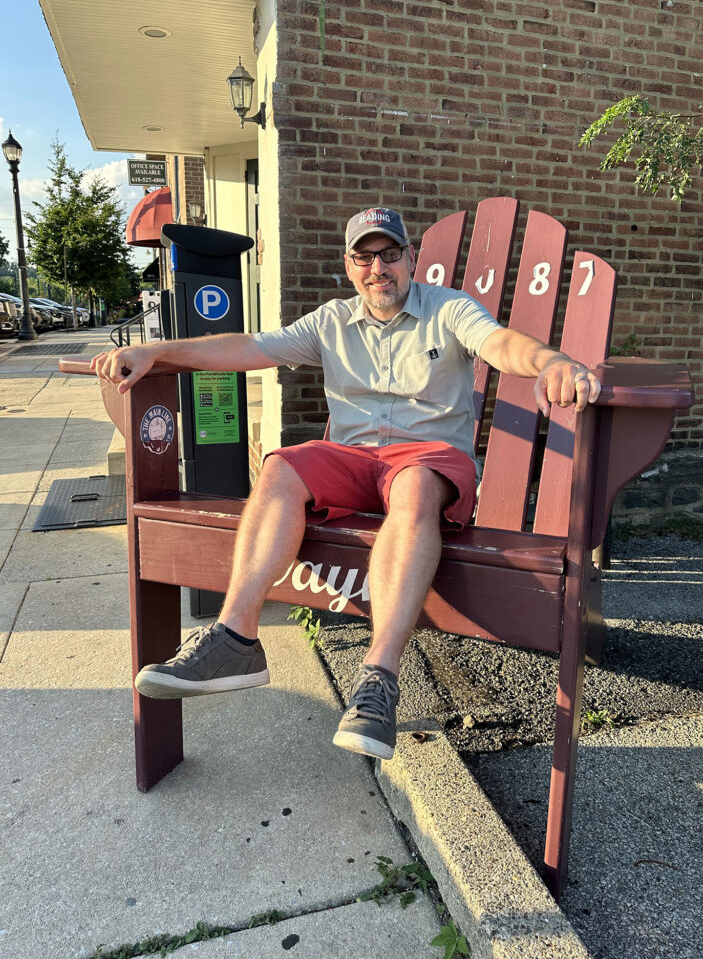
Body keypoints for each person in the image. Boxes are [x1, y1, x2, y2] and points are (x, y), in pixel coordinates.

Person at [92, 207, 601, 761]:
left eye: (388, 254)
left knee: (414, 488)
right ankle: (236, 639)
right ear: (349, 266)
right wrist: (156, 352)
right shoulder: (330, 321)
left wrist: (551, 361)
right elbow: (247, 348)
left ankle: (378, 679)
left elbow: (499, 343)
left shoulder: (448, 308)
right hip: (354, 460)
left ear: (411, 259)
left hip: (428, 459)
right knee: (284, 464)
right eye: (364, 257)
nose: (377, 267)